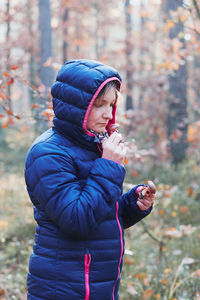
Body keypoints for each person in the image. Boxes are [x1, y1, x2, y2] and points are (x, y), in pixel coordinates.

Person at [25, 59, 155, 300]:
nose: (108, 114)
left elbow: (100, 218)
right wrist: (108, 165)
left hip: (96, 286)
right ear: (76, 106)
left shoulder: (94, 146)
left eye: (111, 104)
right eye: (99, 105)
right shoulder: (47, 153)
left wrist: (132, 204)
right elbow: (76, 220)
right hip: (62, 288)